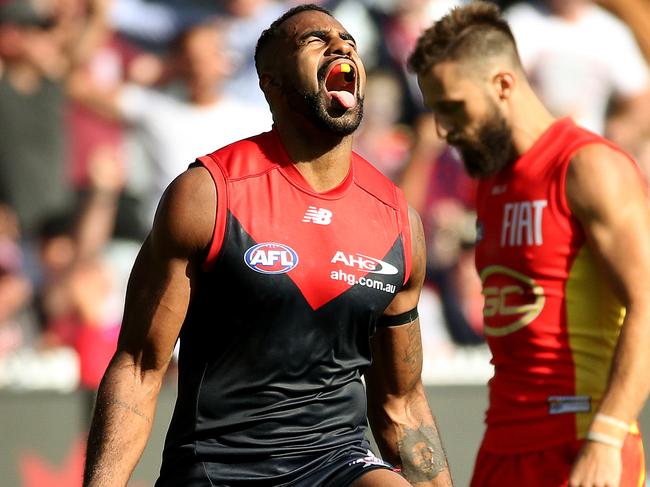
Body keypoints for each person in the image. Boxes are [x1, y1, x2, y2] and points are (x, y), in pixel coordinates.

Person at [83, 4, 453, 487]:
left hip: (337, 461)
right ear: (270, 82)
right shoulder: (208, 196)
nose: (341, 46)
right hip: (221, 466)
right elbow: (138, 367)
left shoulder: (399, 221)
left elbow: (401, 403)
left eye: (349, 42)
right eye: (314, 41)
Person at [408, 2, 650, 486]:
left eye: (454, 108)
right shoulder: (493, 181)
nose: (444, 129)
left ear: (502, 84)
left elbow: (647, 303)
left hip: (582, 443)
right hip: (501, 446)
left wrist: (606, 435)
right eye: (436, 111)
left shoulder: (588, 167)